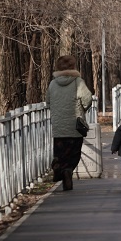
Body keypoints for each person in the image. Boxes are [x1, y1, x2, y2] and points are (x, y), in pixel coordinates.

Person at [46, 55, 93, 190]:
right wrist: (83, 109)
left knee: (60, 151)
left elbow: (48, 102)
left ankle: (58, 165)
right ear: (73, 66)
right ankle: (67, 171)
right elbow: (87, 99)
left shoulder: (52, 84)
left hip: (58, 126)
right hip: (75, 125)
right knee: (74, 152)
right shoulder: (78, 82)